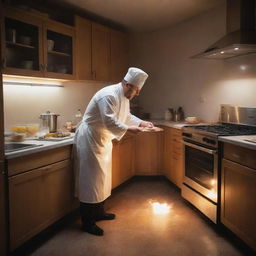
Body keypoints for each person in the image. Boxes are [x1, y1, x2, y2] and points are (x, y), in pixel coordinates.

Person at [74, 67, 153, 236]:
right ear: (127, 84)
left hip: (102, 140)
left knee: (102, 178)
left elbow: (126, 116)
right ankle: (87, 222)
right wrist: (130, 129)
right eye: (136, 90)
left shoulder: (124, 96)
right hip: (90, 139)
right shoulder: (108, 95)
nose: (137, 94)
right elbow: (109, 121)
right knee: (90, 181)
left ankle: (99, 212)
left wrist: (142, 123)